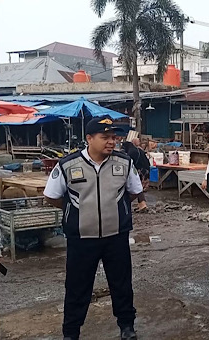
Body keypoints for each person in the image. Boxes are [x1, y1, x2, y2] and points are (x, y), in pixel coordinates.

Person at [44, 117, 142, 340]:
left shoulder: (124, 163)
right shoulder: (68, 165)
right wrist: (77, 211)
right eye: (105, 137)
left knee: (122, 285)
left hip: (116, 237)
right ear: (89, 138)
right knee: (77, 288)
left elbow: (134, 192)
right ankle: (71, 332)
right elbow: (51, 196)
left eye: (113, 137)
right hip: (81, 239)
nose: (111, 142)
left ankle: (127, 327)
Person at [121, 139, 151, 212]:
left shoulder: (131, 152)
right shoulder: (138, 150)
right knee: (139, 187)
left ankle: (142, 205)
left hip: (140, 171)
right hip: (146, 170)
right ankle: (141, 204)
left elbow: (130, 163)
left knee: (138, 188)